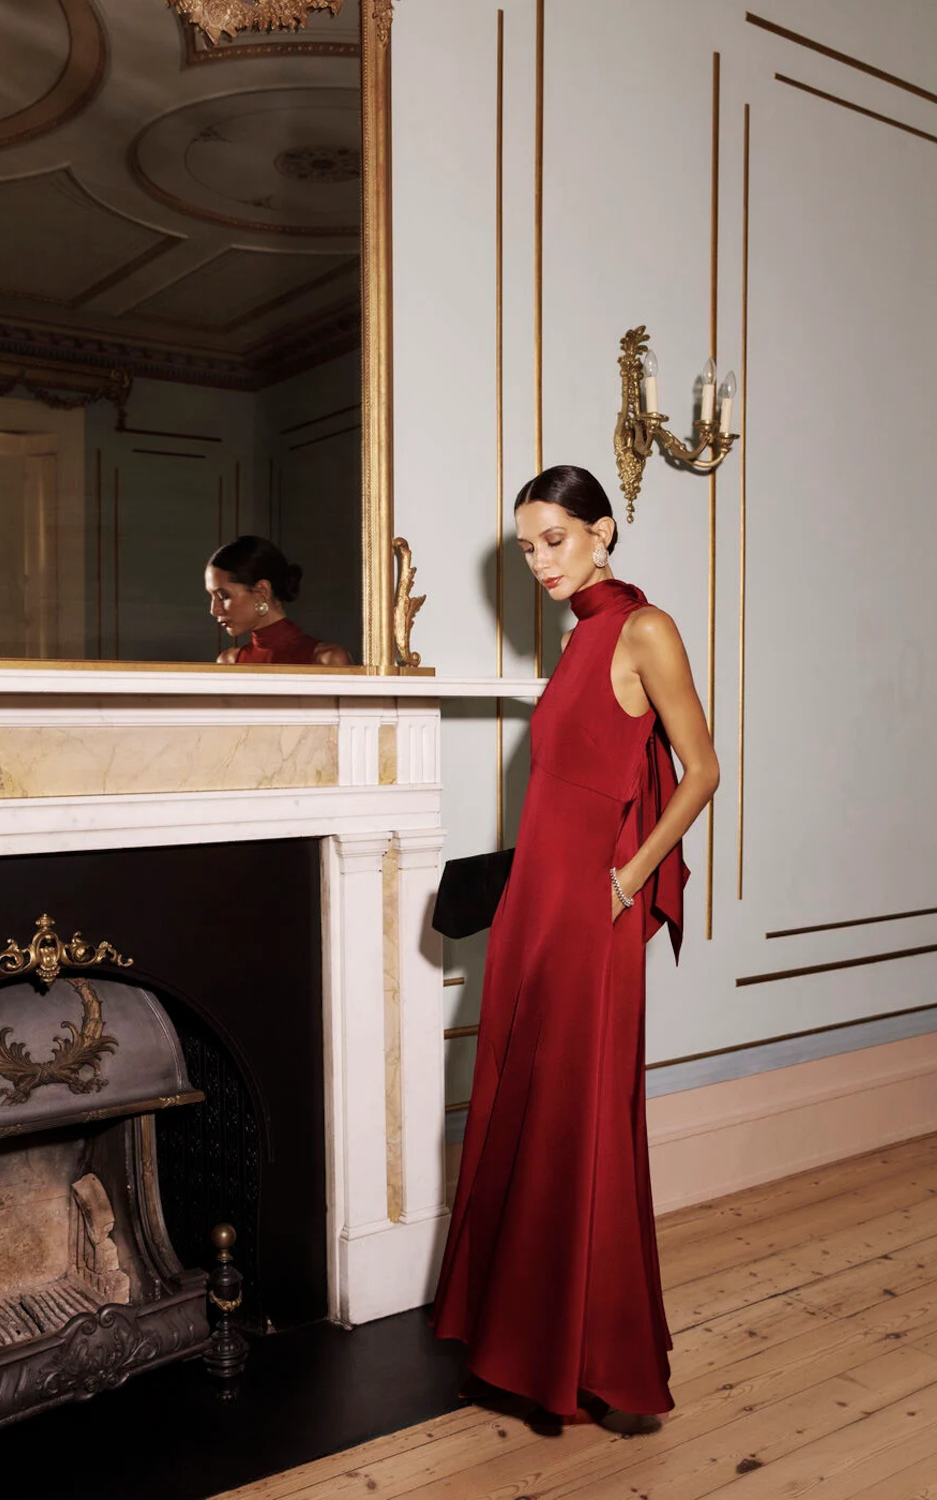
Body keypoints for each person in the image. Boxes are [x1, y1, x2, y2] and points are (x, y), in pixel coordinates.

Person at [431, 464, 719, 1432]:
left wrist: (627, 880)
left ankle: (600, 1361)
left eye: (554, 539)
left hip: (589, 914)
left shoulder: (644, 628)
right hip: (534, 910)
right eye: (526, 547)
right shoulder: (579, 638)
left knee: (579, 1122)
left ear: (601, 530)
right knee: (525, 1109)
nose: (540, 561)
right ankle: (522, 1344)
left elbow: (701, 768)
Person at [205, 535, 352, 666]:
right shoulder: (229, 662)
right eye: (211, 596)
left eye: (223, 596)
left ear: (262, 591)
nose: (214, 610)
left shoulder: (327, 660)